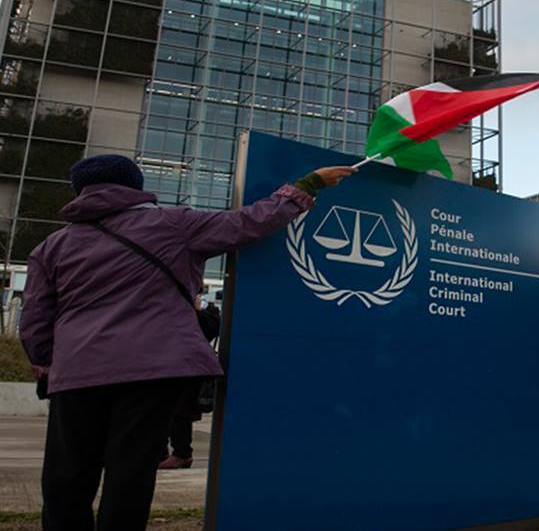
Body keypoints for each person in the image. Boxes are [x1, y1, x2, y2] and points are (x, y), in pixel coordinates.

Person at [18, 154, 354, 531]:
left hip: (76, 372)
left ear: (80, 190)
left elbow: (35, 320)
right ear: (135, 185)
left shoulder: (51, 246)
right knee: (130, 472)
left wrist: (46, 367)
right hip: (151, 370)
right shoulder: (172, 223)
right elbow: (247, 223)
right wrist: (306, 186)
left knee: (67, 474)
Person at [158, 296, 221, 470]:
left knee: (181, 412)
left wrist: (195, 310)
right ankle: (162, 452)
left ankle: (182, 453)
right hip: (167, 365)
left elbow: (211, 329)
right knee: (162, 411)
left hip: (189, 367)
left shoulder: (207, 311)